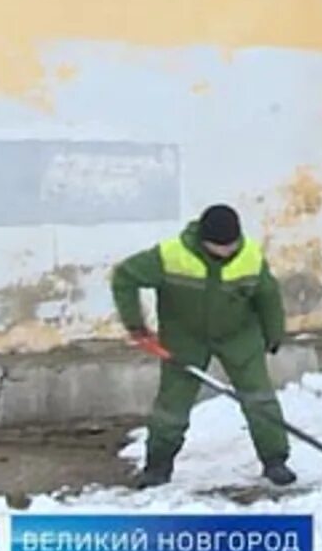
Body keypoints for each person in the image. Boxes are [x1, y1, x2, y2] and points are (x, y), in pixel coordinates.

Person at [111, 203, 295, 488]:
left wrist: (274, 332)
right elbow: (125, 276)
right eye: (220, 246)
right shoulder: (171, 255)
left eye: (232, 244)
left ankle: (276, 461)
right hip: (185, 337)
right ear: (204, 240)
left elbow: (268, 296)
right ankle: (158, 466)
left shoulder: (250, 256)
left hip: (239, 336)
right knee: (172, 407)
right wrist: (136, 326)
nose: (228, 251)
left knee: (259, 397)